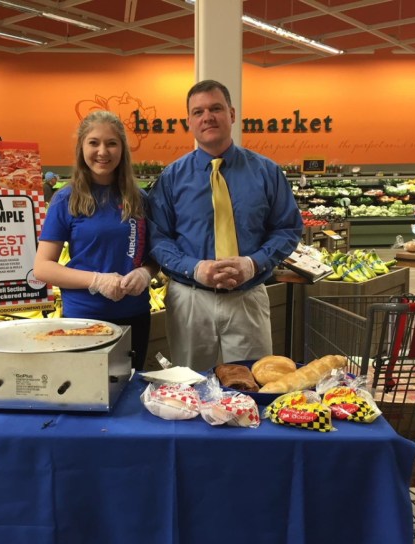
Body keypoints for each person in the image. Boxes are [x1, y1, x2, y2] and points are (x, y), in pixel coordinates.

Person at [147, 79, 303, 371]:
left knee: (253, 381)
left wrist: (253, 263)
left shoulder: (267, 172)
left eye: (216, 108)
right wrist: (193, 267)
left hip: (247, 297)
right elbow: (158, 238)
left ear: (232, 114)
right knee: (191, 385)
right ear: (189, 122)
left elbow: (288, 228)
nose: (208, 117)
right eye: (198, 112)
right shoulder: (171, 178)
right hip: (190, 300)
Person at [34, 111, 156, 371]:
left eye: (112, 143)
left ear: (122, 148)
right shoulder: (66, 199)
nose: (103, 151)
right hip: (84, 319)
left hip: (135, 316)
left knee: (129, 393)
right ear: (81, 147)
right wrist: (97, 280)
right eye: (94, 142)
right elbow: (43, 267)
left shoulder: (140, 198)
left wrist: (145, 273)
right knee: (88, 396)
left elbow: (153, 255)